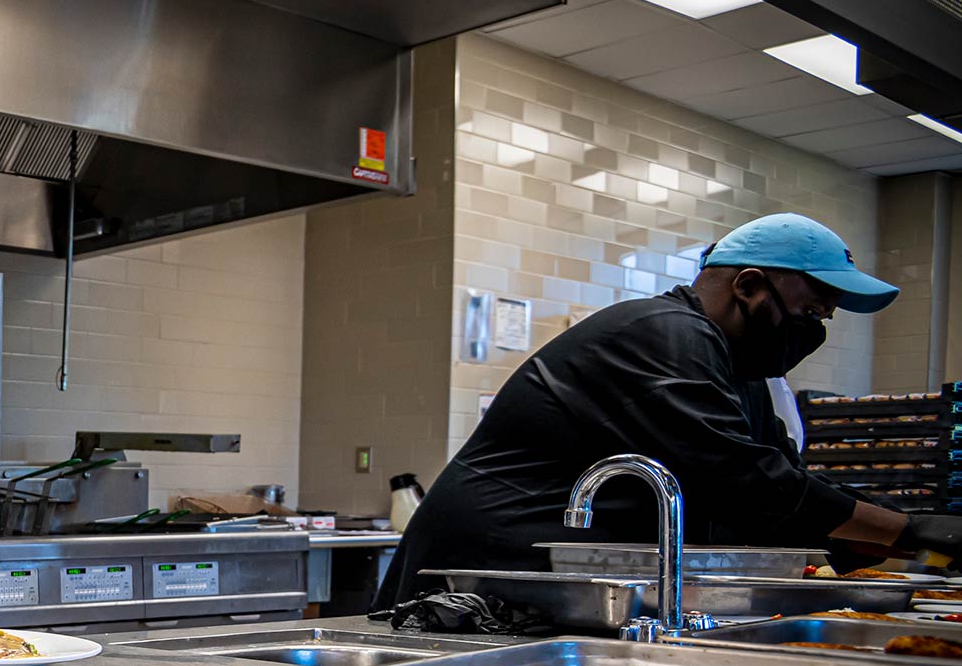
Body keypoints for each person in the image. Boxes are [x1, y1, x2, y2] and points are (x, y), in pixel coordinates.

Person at [379, 212, 960, 605]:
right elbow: (743, 479)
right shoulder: (660, 333)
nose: (815, 330)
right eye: (811, 311)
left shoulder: (739, 373)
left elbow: (782, 479)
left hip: (558, 576)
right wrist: (911, 529)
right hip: (481, 570)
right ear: (750, 285)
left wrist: (874, 536)